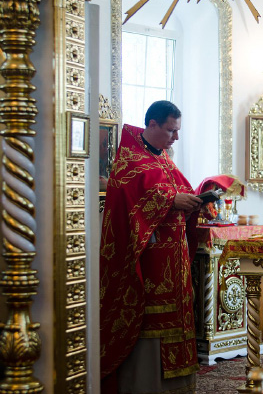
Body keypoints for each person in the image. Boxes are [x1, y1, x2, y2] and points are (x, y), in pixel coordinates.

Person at [100, 100, 210, 393]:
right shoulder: (130, 159)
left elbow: (180, 191)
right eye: (171, 130)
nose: (176, 137)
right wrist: (171, 201)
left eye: (177, 131)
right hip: (147, 262)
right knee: (152, 322)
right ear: (152, 124)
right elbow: (128, 196)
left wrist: (198, 202)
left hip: (174, 261)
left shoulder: (162, 158)